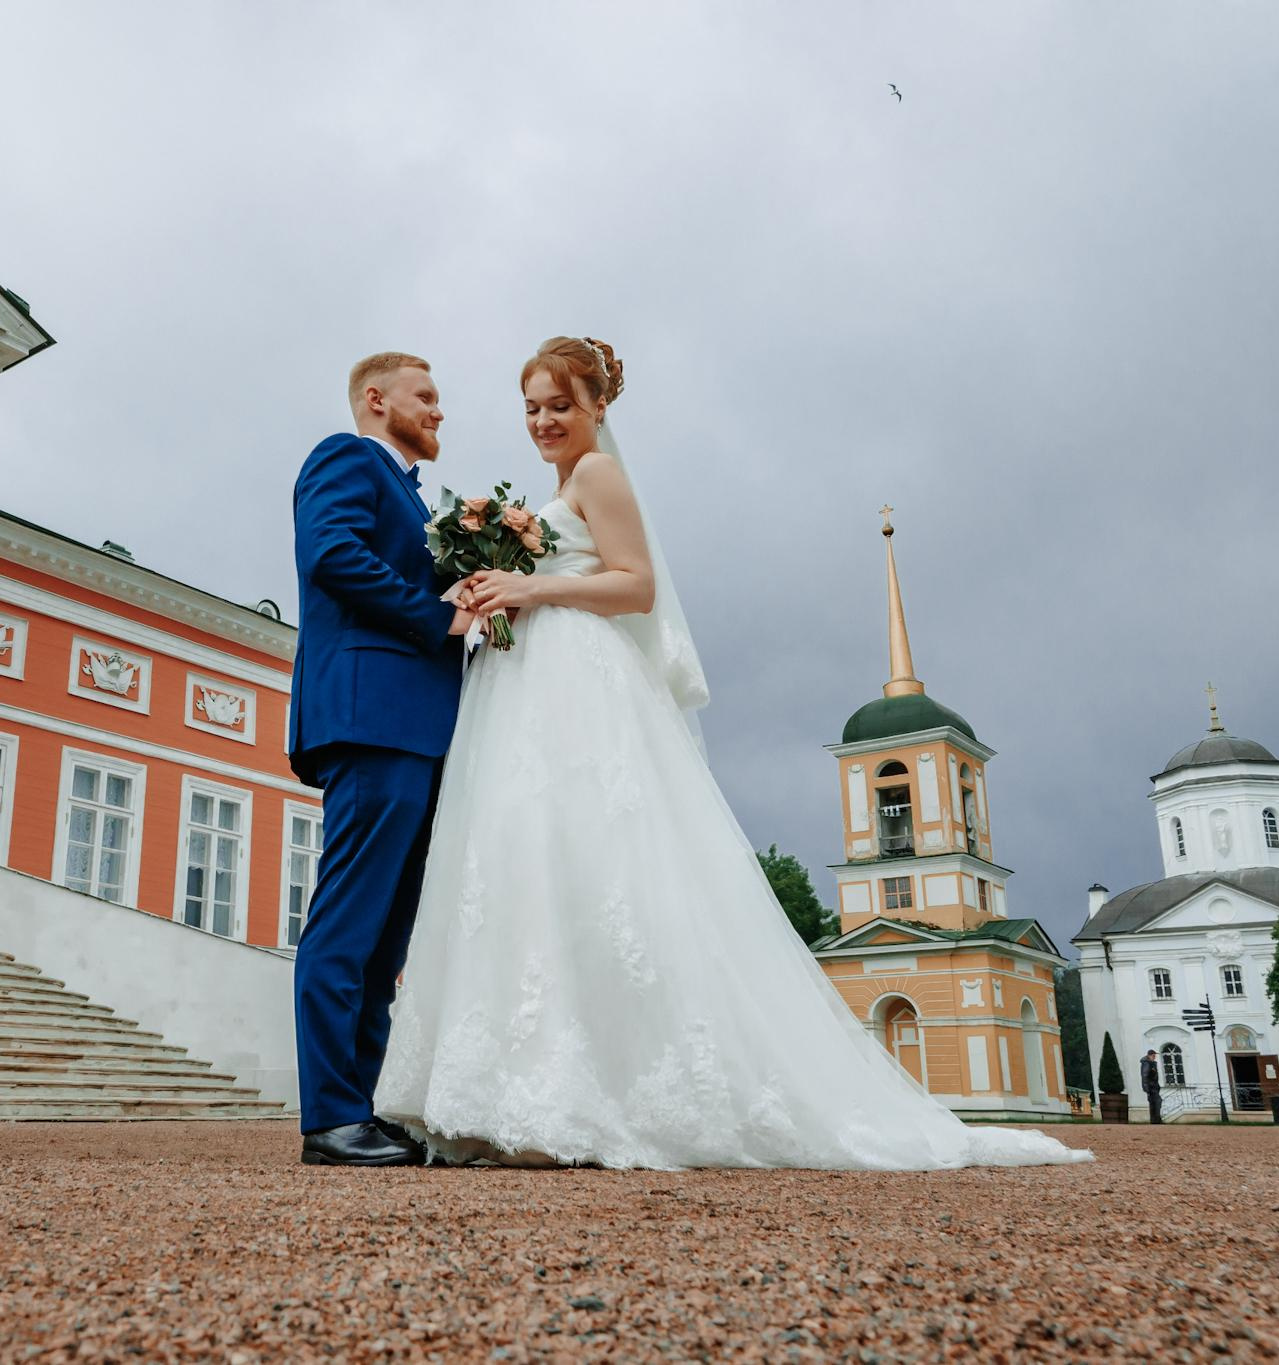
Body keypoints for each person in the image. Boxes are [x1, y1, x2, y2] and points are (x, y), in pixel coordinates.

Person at [373, 336, 1093, 1171]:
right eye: (531, 408)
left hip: (578, 680)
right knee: (540, 865)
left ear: (598, 407)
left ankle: (572, 1093)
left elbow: (635, 583)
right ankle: (521, 1089)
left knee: (586, 860)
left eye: (559, 406)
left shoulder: (600, 475)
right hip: (533, 679)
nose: (543, 421)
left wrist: (529, 584)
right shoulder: (557, 489)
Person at [287, 352, 475, 1167]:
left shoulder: (410, 492)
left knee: (387, 939)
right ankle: (330, 1115)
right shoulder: (346, 455)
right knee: (350, 920)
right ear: (376, 399)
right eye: (425, 396)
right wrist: (439, 616)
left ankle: (362, 1106)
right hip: (373, 716)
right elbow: (330, 553)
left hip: (422, 727)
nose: (439, 410)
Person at [1142, 1049, 1164, 1124]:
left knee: (1154, 1103)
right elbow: (1145, 1075)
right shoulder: (1147, 1063)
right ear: (1149, 1055)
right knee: (1157, 1102)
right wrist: (1146, 1088)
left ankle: (1155, 1120)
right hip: (1151, 1087)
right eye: (1153, 1055)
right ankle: (1156, 1120)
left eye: (1155, 1055)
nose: (1154, 1057)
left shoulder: (1151, 1063)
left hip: (1154, 1086)